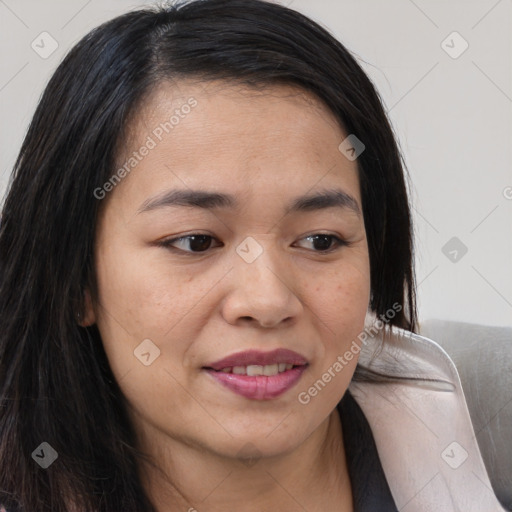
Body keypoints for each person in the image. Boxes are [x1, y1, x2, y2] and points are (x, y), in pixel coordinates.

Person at [0, 0, 505, 511]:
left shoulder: (492, 435)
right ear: (75, 279)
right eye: (196, 241)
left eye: (320, 241)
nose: (266, 301)